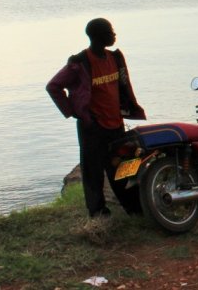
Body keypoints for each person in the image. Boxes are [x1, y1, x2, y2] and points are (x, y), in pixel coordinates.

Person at [46, 18, 146, 217]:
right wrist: (74, 111)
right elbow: (53, 86)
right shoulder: (80, 63)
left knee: (122, 168)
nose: (114, 34)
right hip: (92, 127)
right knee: (93, 173)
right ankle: (98, 212)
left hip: (115, 124)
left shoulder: (115, 59)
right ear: (98, 36)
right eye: (110, 31)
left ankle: (134, 209)